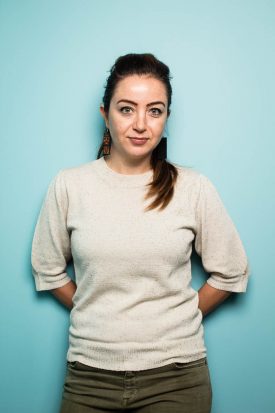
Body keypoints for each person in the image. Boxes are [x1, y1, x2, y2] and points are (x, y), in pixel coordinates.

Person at [31, 53, 249, 413]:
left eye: (155, 110)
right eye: (127, 109)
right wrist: (96, 311)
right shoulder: (69, 185)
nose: (140, 124)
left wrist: (174, 317)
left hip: (177, 379)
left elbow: (232, 271)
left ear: (166, 118)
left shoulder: (192, 187)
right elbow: (47, 268)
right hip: (89, 378)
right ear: (105, 114)